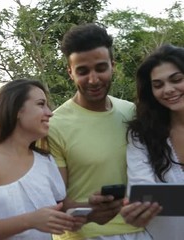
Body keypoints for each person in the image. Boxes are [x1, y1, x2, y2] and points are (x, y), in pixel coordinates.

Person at [48, 23, 151, 239]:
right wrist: (89, 210)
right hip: (84, 235)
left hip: (139, 231)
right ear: (70, 73)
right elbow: (53, 200)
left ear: (113, 66)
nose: (93, 79)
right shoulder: (54, 124)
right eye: (83, 71)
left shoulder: (131, 112)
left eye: (101, 68)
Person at [0, 79, 84, 240]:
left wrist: (94, 207)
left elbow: (61, 208)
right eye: (41, 104)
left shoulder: (45, 161)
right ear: (17, 110)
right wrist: (30, 221)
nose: (50, 113)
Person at [120, 44, 184, 240]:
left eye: (177, 80)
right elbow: (142, 188)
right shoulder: (142, 134)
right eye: (158, 85)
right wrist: (138, 209)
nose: (168, 90)